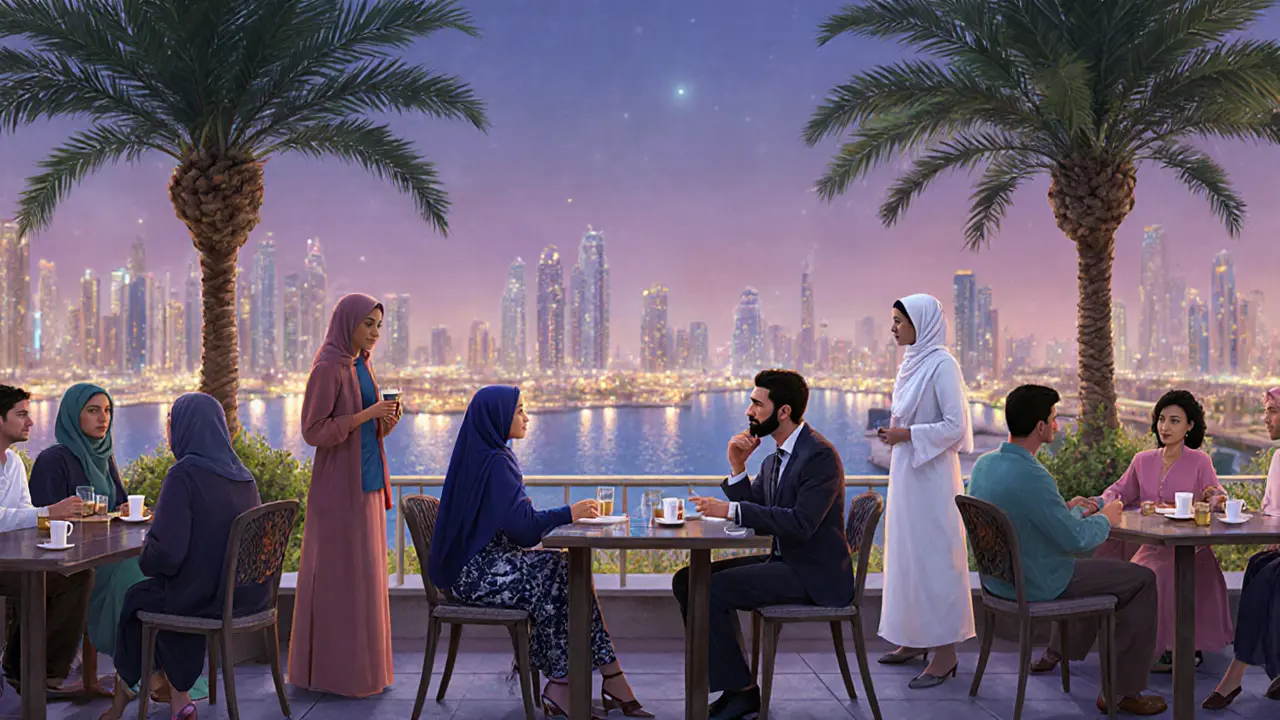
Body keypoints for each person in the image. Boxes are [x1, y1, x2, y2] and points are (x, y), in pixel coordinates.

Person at [431, 385, 649, 718]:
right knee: (559, 572)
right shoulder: (496, 463)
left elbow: (513, 525)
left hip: (470, 571)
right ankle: (590, 679)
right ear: (498, 417)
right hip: (479, 576)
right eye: (518, 410)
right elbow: (525, 530)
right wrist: (569, 513)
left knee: (561, 569)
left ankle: (582, 680)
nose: (526, 417)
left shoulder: (480, 455)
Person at [967, 384, 1167, 715]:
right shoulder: (1033, 475)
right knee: (1141, 580)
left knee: (1102, 572)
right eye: (1055, 419)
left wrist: (1072, 510)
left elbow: (1039, 523)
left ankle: (1064, 651)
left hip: (999, 582)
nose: (1058, 426)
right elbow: (1075, 540)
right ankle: (1121, 692)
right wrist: (1105, 517)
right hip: (1039, 582)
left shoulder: (985, 465)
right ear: (1041, 427)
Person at [675, 369, 853, 720]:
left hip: (815, 574)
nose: (749, 411)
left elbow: (801, 524)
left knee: (708, 589)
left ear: (783, 411)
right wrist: (737, 465)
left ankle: (741, 693)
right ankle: (735, 686)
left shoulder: (818, 456)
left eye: (757, 403)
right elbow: (758, 509)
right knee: (686, 580)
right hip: (786, 561)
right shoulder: (775, 459)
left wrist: (731, 509)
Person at [1036, 390, 1230, 673]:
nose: (1165, 427)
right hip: (1149, 543)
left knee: (1154, 573)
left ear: (1189, 426)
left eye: (1175, 421)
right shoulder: (1143, 460)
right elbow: (1119, 491)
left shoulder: (1200, 462)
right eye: (1162, 419)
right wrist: (1096, 503)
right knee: (1101, 568)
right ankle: (1064, 649)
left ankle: (1158, 651)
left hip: (1186, 547)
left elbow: (1215, 491)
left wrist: (1215, 498)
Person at [101, 393, 267, 720]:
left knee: (138, 598)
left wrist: (148, 550)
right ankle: (175, 696)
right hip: (249, 595)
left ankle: (133, 688)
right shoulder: (243, 476)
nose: (167, 429)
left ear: (185, 427)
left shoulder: (184, 475)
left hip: (204, 599)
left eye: (170, 422)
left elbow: (166, 557)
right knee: (157, 596)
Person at [288, 294, 401, 697]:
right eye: (367, 324)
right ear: (347, 323)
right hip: (339, 488)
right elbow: (314, 430)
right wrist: (365, 416)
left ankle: (367, 672)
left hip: (368, 485)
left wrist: (384, 421)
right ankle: (335, 676)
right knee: (340, 581)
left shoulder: (362, 366)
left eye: (378, 326)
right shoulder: (327, 368)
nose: (373, 333)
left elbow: (363, 431)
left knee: (365, 580)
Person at [876, 294, 975, 688]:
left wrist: (908, 434)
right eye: (893, 319)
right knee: (907, 557)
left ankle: (945, 654)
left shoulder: (942, 365)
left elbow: (956, 425)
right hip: (906, 474)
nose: (894, 327)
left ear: (922, 322)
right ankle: (913, 638)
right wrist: (899, 434)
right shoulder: (911, 364)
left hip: (932, 480)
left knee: (935, 560)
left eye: (900, 319)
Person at [28, 383, 148, 696]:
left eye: (107, 411)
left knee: (142, 568)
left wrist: (125, 509)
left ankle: (148, 669)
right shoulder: (52, 460)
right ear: (72, 415)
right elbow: (40, 521)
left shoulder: (104, 457)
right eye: (93, 411)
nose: (103, 418)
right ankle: (146, 672)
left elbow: (116, 508)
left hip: (103, 554)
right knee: (130, 574)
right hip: (68, 563)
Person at [0, 385, 92, 695]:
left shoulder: (12, 463)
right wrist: (49, 512)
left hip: (11, 560)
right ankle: (24, 671)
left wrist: (54, 518)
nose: (30, 422)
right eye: (21, 414)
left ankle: (38, 672)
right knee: (41, 580)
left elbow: (24, 511)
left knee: (75, 574)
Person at [1203, 386, 1280, 709]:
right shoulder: (1278, 457)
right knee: (1259, 565)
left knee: (1269, 576)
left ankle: (1235, 674)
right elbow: (1271, 512)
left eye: (1272, 410)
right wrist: (1232, 507)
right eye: (1266, 411)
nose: (1266, 419)